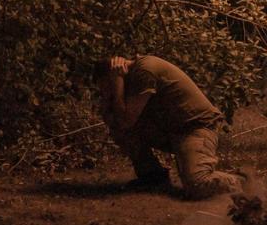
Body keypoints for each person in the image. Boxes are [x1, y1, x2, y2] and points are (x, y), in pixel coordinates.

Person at [94, 54, 244, 199]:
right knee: (119, 126)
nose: (109, 93)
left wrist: (117, 83)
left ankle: (241, 181)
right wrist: (110, 97)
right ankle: (153, 177)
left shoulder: (144, 71)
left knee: (198, 184)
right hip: (172, 130)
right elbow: (117, 122)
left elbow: (126, 120)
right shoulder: (132, 77)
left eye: (107, 87)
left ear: (113, 75)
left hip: (195, 128)